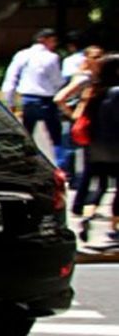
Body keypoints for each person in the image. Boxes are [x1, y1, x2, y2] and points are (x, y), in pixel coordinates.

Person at [75, 54, 119, 245]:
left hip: (95, 148)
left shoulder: (95, 91)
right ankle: (114, 228)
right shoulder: (117, 92)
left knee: (100, 186)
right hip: (116, 149)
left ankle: (87, 217)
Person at [57, 45, 105, 214]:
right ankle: (81, 204)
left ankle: (83, 203)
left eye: (101, 56)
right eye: (96, 56)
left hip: (91, 124)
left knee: (91, 164)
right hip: (82, 124)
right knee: (87, 162)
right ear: (87, 59)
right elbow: (59, 98)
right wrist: (74, 116)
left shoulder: (96, 77)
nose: (100, 59)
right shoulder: (84, 78)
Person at [1, 28, 65, 156]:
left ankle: (26, 160)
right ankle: (63, 168)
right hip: (47, 99)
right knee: (56, 137)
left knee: (27, 135)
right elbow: (57, 80)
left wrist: (10, 100)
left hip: (28, 99)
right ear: (43, 40)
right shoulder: (52, 57)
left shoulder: (21, 55)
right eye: (53, 41)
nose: (54, 44)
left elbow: (11, 78)